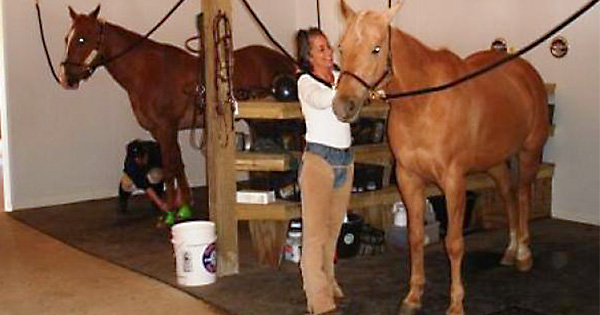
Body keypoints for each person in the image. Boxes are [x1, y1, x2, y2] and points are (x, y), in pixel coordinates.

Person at [296, 28, 354, 315]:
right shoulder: (306, 83)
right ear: (308, 57)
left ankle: (328, 282)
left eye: (328, 47)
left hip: (345, 159)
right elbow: (322, 101)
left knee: (333, 230)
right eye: (320, 49)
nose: (329, 52)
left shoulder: (341, 78)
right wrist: (345, 87)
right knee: (315, 234)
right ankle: (318, 299)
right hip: (319, 162)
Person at [118, 139, 168, 214]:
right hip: (138, 175)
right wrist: (161, 204)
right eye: (136, 158)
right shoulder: (130, 164)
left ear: (146, 153)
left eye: (141, 157)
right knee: (126, 183)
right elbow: (145, 186)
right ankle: (123, 199)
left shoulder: (157, 152)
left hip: (153, 170)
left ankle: (158, 194)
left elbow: (172, 170)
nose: (138, 161)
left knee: (157, 175)